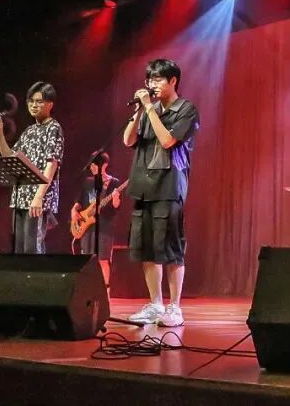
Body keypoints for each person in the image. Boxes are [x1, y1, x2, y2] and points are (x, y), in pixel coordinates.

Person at [123, 59, 200, 327]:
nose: (151, 84)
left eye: (157, 79)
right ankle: (155, 304)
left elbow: (167, 141)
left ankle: (174, 307)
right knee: (147, 248)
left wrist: (149, 109)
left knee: (171, 248)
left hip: (168, 186)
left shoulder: (186, 109)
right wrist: (140, 112)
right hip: (143, 186)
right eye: (149, 80)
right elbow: (128, 140)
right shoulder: (148, 109)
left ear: (173, 81)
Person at [0, 82, 63, 254]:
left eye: (39, 101)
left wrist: (39, 196)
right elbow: (9, 156)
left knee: (32, 249)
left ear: (50, 104)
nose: (33, 105)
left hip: (37, 198)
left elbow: (52, 163)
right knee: (19, 249)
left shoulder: (53, 128)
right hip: (21, 196)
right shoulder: (29, 131)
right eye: (30, 101)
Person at [71, 150, 123, 293]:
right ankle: (87, 289)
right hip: (87, 227)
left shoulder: (114, 183)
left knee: (103, 259)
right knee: (87, 259)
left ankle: (105, 291)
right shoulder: (88, 182)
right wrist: (74, 212)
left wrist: (116, 199)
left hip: (105, 226)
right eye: (91, 164)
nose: (92, 167)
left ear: (104, 165)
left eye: (95, 164)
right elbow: (79, 203)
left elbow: (116, 207)